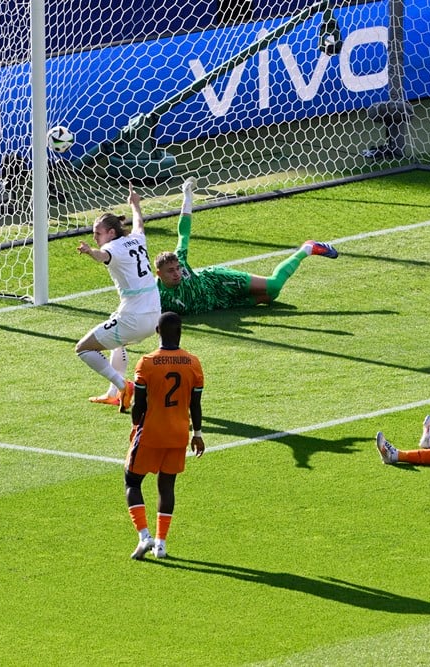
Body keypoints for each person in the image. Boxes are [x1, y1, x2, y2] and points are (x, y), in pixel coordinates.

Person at [153, 177, 339, 316]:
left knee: (273, 285)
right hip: (218, 303)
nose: (177, 273)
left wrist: (187, 195)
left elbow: (183, 233)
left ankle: (307, 249)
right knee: (271, 296)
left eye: (177, 268)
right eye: (171, 271)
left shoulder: (181, 259)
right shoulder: (154, 292)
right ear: (159, 274)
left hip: (217, 281)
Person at [126, 311, 205, 559]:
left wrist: (136, 425)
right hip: (179, 433)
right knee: (167, 486)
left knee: (132, 481)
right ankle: (161, 544)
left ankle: (144, 536)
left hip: (151, 432)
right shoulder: (193, 363)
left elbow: (139, 404)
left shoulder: (147, 362)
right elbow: (196, 404)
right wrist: (198, 433)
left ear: (158, 332)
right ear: (180, 332)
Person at [76, 183, 160, 413]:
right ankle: (114, 394)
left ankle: (125, 386)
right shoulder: (137, 239)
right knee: (117, 340)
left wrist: (89, 252)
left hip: (133, 317)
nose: (95, 238)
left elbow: (102, 255)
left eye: (97, 233)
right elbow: (140, 223)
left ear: (111, 233)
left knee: (83, 348)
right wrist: (135, 204)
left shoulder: (114, 248)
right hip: (154, 316)